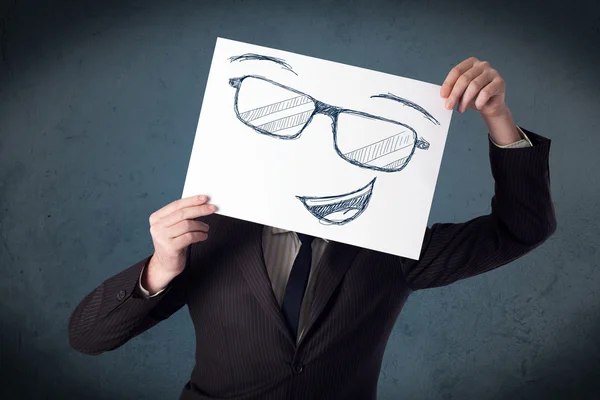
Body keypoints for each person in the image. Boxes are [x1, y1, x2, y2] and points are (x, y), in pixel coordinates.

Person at [68, 57, 556, 400]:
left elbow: (522, 228)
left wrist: (498, 117)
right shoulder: (207, 234)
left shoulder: (394, 242)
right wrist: (159, 268)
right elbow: (88, 337)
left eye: (367, 137)